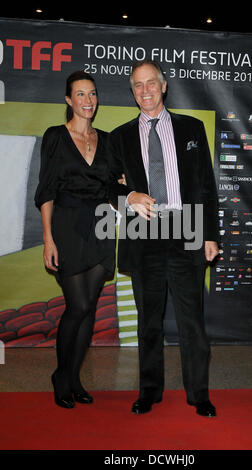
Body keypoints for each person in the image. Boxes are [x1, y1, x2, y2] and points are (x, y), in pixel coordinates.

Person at [108, 60, 219, 417]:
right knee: (149, 322)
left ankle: (199, 394)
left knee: (192, 322)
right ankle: (149, 392)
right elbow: (105, 183)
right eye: (138, 85)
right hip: (144, 232)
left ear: (164, 85)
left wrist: (210, 235)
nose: (145, 91)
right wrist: (129, 197)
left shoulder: (192, 128)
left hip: (186, 229)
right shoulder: (120, 135)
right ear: (132, 91)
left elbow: (206, 185)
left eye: (151, 83)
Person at [35, 71, 115, 409]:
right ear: (69, 100)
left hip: (101, 227)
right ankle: (61, 376)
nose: (88, 100)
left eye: (92, 94)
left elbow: (114, 186)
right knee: (78, 306)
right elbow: (46, 191)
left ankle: (75, 378)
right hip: (66, 227)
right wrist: (48, 239)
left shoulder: (108, 141)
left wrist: (130, 188)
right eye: (80, 94)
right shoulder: (55, 136)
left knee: (90, 309)